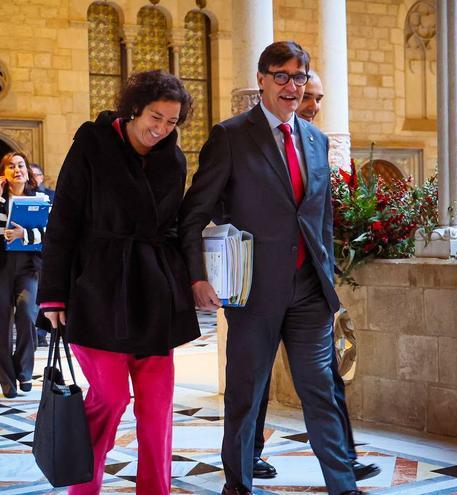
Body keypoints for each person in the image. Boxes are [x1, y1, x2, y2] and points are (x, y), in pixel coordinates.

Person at [179, 42, 364, 495]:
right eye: (281, 76)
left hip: (308, 293)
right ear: (262, 79)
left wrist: (327, 272)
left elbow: (320, 216)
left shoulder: (317, 141)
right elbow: (193, 212)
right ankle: (238, 486)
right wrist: (198, 276)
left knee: (320, 391)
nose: (291, 86)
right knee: (245, 393)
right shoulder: (231, 136)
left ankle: (344, 487)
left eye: (299, 77)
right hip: (253, 293)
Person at [38, 70, 200, 495]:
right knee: (110, 397)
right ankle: (83, 487)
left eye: (172, 122)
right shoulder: (91, 146)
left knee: (158, 406)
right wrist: (53, 295)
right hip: (96, 288)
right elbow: (63, 221)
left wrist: (192, 278)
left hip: (152, 291)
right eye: (155, 117)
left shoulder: (174, 159)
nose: (161, 129)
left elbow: (177, 227)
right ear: (134, 109)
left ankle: (155, 490)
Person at [250, 70, 380, 483]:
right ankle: (248, 454)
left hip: (310, 284)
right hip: (262, 283)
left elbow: (321, 213)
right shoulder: (255, 138)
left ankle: (343, 460)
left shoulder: (314, 141)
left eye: (318, 98)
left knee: (326, 377)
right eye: (311, 97)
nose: (314, 106)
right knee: (255, 377)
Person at [0, 151, 48, 398]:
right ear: (3, 174)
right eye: (10, 166)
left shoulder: (40, 198)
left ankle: (25, 371)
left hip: (28, 267)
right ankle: (7, 381)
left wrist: (24, 236)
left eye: (21, 165)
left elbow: (48, 232)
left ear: (27, 171)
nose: (17, 170)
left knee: (28, 314)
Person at [29, 162, 55, 347]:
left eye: (37, 175)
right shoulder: (24, 197)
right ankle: (33, 331)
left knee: (45, 291)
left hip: (48, 251)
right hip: (29, 250)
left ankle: (42, 332)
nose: (34, 178)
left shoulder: (52, 196)